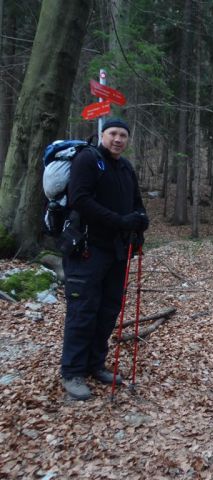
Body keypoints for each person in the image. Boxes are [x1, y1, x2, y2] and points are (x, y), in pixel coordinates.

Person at [60, 118, 149, 400]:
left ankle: (94, 365)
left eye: (123, 135)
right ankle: (72, 372)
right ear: (103, 135)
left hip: (116, 251)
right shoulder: (88, 160)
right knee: (83, 310)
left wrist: (139, 224)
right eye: (113, 134)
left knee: (108, 310)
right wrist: (121, 222)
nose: (118, 139)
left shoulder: (125, 167)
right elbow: (80, 200)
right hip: (86, 249)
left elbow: (137, 204)